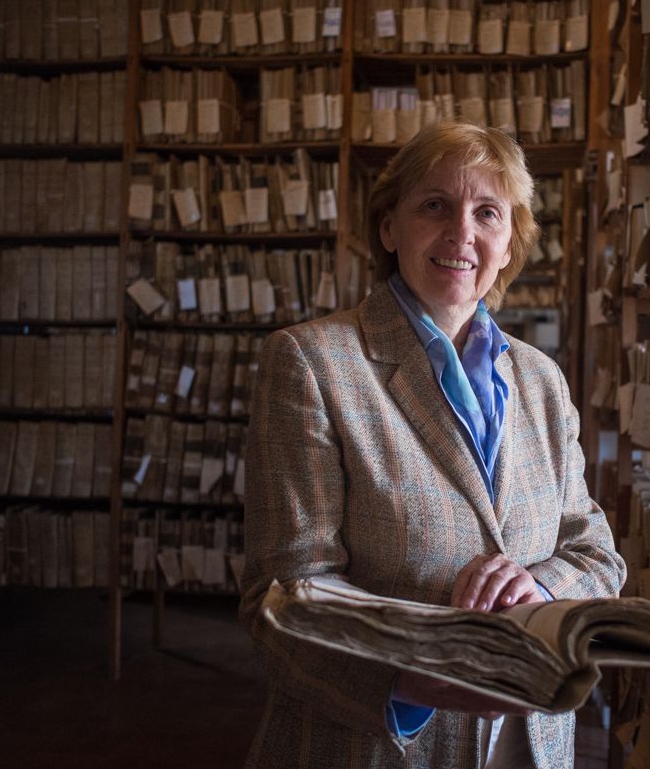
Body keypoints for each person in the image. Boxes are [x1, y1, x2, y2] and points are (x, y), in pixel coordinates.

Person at [239, 120, 626, 769]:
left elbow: (598, 550)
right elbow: (280, 598)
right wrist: (411, 682)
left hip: (528, 748)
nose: (461, 234)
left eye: (487, 213)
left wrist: (542, 589)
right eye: (435, 206)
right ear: (390, 228)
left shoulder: (541, 380)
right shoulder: (312, 363)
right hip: (375, 746)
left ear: (510, 243)